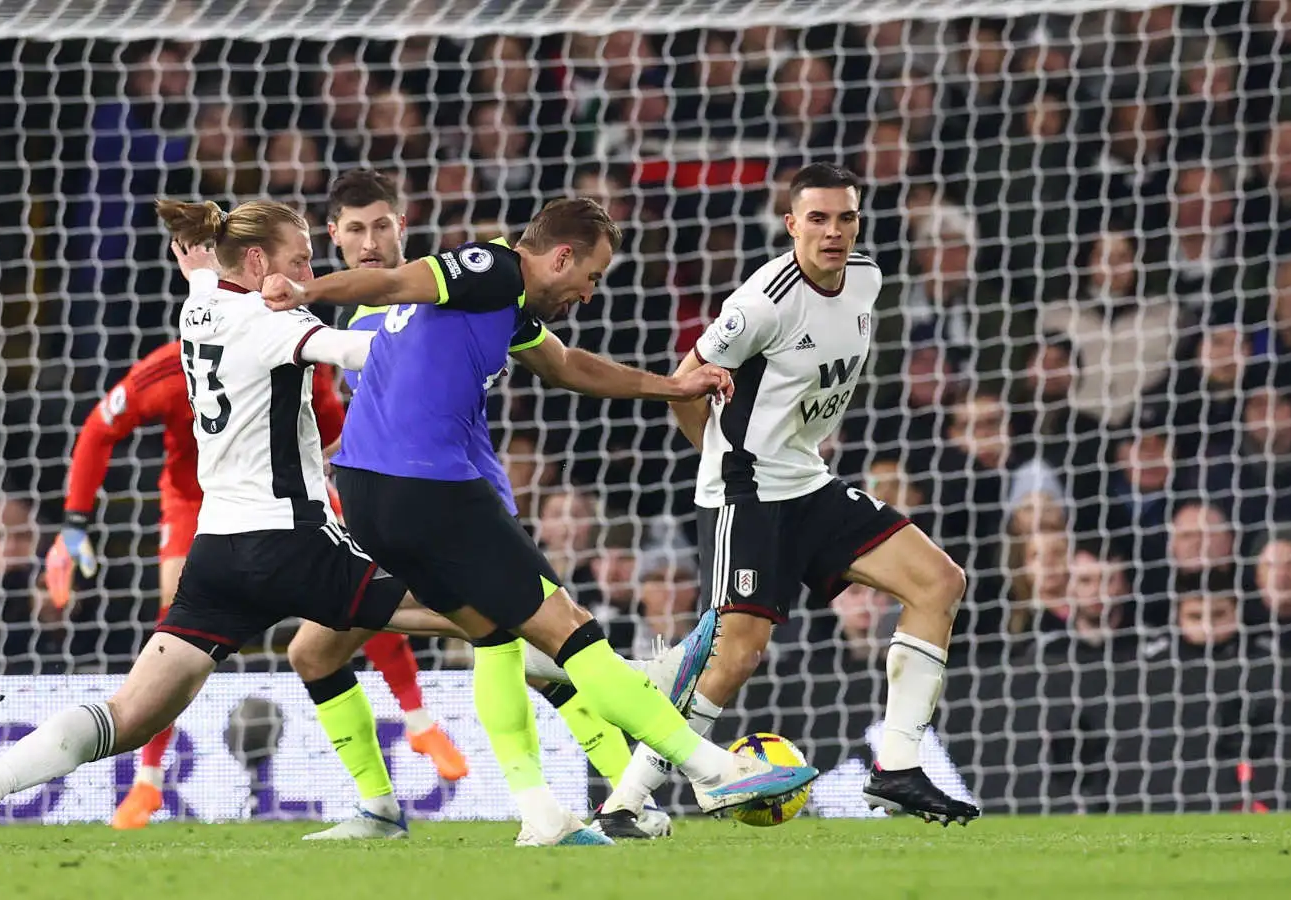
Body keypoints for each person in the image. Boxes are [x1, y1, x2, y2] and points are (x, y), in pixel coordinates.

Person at [0, 199, 464, 853]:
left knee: (130, 715)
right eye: (300, 259)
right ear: (257, 262)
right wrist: (460, 336)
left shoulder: (198, 306)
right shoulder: (272, 320)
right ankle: (590, 696)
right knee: (481, 606)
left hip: (218, 557)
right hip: (292, 541)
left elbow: (204, 277)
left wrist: (199, 263)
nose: (308, 272)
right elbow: (359, 350)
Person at [263, 196, 820, 846]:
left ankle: (541, 813)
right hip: (429, 487)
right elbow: (393, 280)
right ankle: (711, 768)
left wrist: (675, 386)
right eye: (593, 275)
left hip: (368, 490)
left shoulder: (505, 306)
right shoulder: (492, 269)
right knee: (569, 631)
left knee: (496, 639)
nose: (590, 292)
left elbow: (566, 366)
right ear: (561, 256)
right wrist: (304, 289)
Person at [592, 162, 981, 838]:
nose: (833, 232)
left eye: (845, 218)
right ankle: (625, 802)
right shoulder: (760, 304)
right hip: (747, 491)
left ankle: (896, 766)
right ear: (791, 224)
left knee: (938, 581)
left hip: (809, 481)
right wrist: (719, 460)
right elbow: (685, 381)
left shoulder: (867, 279)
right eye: (819, 218)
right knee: (737, 655)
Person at [285, 169, 658, 839]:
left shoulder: (455, 292)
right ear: (333, 237)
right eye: (355, 229)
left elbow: (564, 362)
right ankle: (380, 808)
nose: (370, 243)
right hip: (393, 505)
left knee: (534, 641)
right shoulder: (383, 311)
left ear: (404, 227)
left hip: (451, 504)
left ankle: (628, 796)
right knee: (315, 654)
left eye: (382, 226)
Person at [45, 338, 466, 830]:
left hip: (284, 498)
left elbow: (330, 431)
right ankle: (149, 778)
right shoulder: (168, 370)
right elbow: (100, 427)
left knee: (363, 579)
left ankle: (418, 719)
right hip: (196, 502)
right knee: (175, 617)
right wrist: (74, 520)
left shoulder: (290, 353)